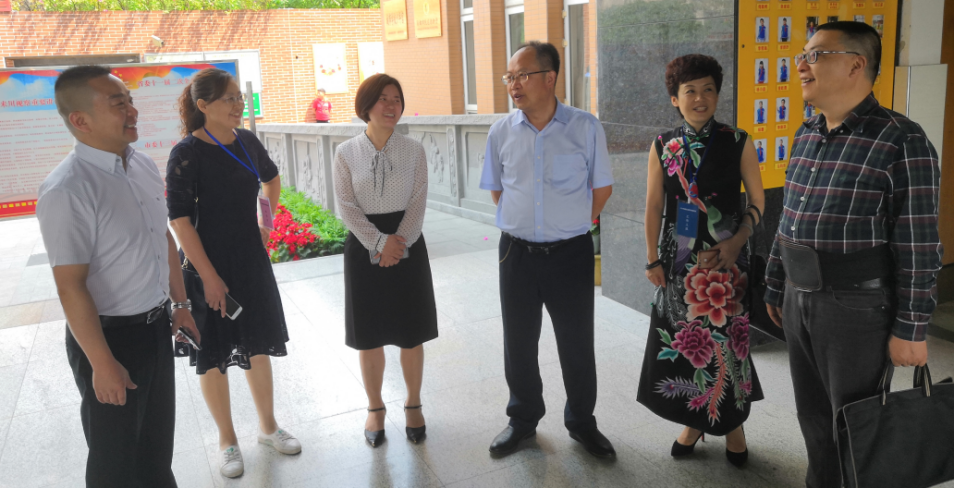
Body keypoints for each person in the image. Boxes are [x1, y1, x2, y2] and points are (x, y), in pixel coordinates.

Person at [764, 22, 942, 487]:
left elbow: (919, 244)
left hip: (857, 307)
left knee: (858, 422)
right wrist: (776, 282)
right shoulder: (807, 133)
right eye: (802, 55)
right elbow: (789, 216)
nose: (801, 65)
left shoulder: (902, 140)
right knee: (813, 417)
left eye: (815, 55)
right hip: (799, 296)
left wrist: (912, 328)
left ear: (855, 65)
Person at [37, 65, 201, 487]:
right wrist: (102, 363)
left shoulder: (141, 164)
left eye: (129, 100)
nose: (133, 111)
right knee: (114, 462)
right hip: (109, 340)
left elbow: (162, 237)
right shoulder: (67, 189)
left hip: (156, 328)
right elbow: (70, 285)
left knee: (156, 451)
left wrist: (180, 304)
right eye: (118, 104)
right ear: (81, 120)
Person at [480, 41, 616, 459]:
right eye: (509, 77)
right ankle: (522, 421)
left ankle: (582, 422)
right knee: (518, 342)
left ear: (549, 77)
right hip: (516, 254)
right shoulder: (501, 131)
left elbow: (601, 189)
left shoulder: (585, 127)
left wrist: (567, 224)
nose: (513, 85)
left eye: (522, 75)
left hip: (570, 254)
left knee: (576, 343)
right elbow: (498, 191)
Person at [167, 68, 300, 479]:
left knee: (257, 343)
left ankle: (268, 427)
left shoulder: (247, 141)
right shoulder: (186, 153)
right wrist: (209, 277)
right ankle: (227, 440)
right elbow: (180, 220)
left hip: (249, 259)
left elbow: (271, 181)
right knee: (213, 354)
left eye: (239, 97)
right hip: (205, 265)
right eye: (229, 98)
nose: (238, 104)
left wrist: (266, 224)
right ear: (203, 105)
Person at [638, 54, 765, 468]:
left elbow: (757, 201)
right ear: (675, 99)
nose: (700, 98)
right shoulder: (663, 145)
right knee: (686, 343)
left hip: (727, 262)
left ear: (717, 94)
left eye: (708, 89)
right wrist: (652, 259)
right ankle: (694, 422)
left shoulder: (737, 140)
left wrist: (737, 243)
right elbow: (653, 206)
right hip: (678, 261)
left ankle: (733, 425)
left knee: (728, 344)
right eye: (689, 91)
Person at [333, 73, 438, 448]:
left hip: (408, 243)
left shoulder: (414, 150)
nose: (392, 106)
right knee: (369, 336)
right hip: (364, 248)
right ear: (366, 105)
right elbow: (346, 207)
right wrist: (379, 243)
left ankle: (413, 404)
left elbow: (418, 203)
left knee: (411, 332)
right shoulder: (346, 153)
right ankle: (375, 408)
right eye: (383, 99)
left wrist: (398, 244)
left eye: (397, 99)